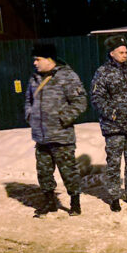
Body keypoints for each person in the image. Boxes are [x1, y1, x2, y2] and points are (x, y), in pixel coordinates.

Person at [25, 43, 88, 216]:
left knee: (68, 172)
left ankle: (75, 203)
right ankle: (49, 202)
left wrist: (62, 118)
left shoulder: (67, 76)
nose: (35, 63)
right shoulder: (34, 78)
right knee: (44, 172)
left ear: (48, 59)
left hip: (61, 136)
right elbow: (28, 101)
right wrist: (30, 116)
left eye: (38, 59)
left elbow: (80, 101)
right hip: (41, 136)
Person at [90, 35, 127, 212]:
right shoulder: (103, 73)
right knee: (114, 163)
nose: (125, 54)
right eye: (121, 52)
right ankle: (114, 196)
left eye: (126, 52)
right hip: (114, 128)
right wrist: (113, 114)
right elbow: (96, 97)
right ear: (112, 53)